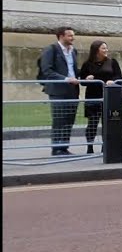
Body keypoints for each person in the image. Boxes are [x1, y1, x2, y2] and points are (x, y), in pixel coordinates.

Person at [37, 27, 80, 156]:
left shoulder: (73, 51)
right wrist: (66, 79)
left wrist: (83, 76)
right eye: (70, 36)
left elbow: (73, 70)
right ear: (61, 36)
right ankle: (56, 148)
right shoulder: (51, 50)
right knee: (59, 119)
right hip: (58, 90)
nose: (73, 38)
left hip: (72, 90)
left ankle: (64, 147)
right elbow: (47, 71)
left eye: (73, 35)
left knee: (69, 119)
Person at [78, 40, 122, 155]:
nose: (106, 50)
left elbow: (119, 76)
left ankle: (106, 146)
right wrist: (86, 79)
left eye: (106, 48)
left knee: (108, 123)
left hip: (108, 96)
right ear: (96, 50)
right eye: (103, 48)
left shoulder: (112, 62)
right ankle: (90, 146)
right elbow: (82, 81)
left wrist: (112, 81)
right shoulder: (87, 64)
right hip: (93, 96)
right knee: (92, 123)